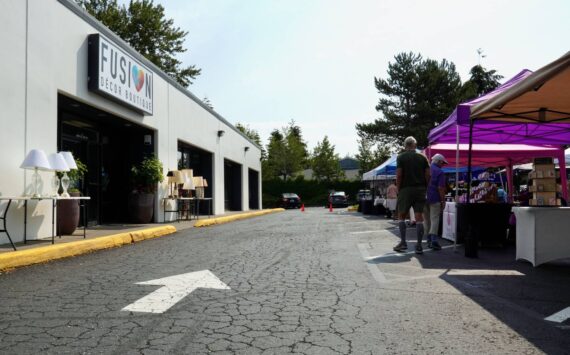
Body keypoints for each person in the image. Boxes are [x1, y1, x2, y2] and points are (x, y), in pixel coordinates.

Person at [393, 136, 430, 254]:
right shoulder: (423, 157)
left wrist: (399, 189)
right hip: (420, 189)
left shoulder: (401, 157)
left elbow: (399, 175)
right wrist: (425, 187)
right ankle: (419, 245)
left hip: (406, 189)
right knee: (419, 217)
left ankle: (403, 242)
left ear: (405, 145)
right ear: (415, 145)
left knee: (402, 216)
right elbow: (428, 174)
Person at [424, 153, 448, 251]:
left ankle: (428, 240)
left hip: (423, 197)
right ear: (438, 161)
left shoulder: (426, 169)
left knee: (426, 220)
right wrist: (443, 200)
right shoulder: (440, 172)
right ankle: (433, 240)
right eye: (442, 163)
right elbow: (441, 188)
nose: (443, 165)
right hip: (435, 198)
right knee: (435, 219)